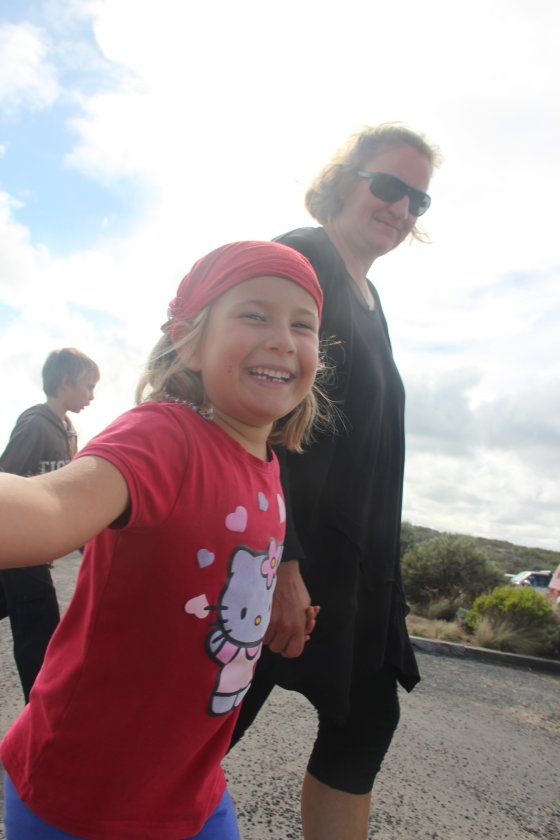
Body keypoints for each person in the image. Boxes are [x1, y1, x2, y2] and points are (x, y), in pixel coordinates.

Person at [0, 240, 326, 840]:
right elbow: (50, 510)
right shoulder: (164, 436)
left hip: (192, 791)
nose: (284, 339)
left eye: (303, 325)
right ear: (189, 341)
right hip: (83, 795)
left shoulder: (269, 467)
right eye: (255, 314)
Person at [230, 123, 442, 840]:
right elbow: (250, 413)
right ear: (345, 179)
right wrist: (283, 564)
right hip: (289, 559)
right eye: (389, 186)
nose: (401, 208)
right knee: (204, 725)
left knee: (366, 719)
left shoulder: (369, 297)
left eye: (417, 200)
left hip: (356, 570)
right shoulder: (303, 260)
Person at [0, 347, 99, 702]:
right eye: (88, 386)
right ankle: (40, 715)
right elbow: (5, 478)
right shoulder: (35, 425)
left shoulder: (67, 431)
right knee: (39, 629)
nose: (92, 396)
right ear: (65, 382)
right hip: (20, 546)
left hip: (33, 547)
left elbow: (64, 495)